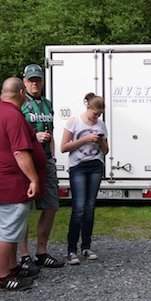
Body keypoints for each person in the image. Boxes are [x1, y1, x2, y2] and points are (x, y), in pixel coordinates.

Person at [0, 78, 47, 292]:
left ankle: (12, 268)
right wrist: (34, 179)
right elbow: (20, 152)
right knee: (8, 231)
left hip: (2, 179)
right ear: (21, 93)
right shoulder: (13, 116)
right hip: (11, 181)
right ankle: (3, 279)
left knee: (13, 228)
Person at [17, 63, 64, 272]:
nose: (34, 84)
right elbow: (15, 132)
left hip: (46, 161)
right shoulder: (20, 104)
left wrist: (52, 156)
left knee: (51, 205)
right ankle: (24, 255)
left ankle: (42, 252)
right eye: (31, 80)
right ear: (24, 82)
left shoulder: (47, 103)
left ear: (43, 81)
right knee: (23, 209)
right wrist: (34, 137)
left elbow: (51, 131)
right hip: (27, 162)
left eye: (38, 80)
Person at [62, 93, 109, 264]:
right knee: (79, 208)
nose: (97, 117)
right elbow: (64, 147)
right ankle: (71, 249)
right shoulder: (74, 122)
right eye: (95, 113)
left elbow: (106, 151)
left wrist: (100, 142)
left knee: (90, 208)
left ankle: (86, 247)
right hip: (78, 167)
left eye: (100, 114)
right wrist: (85, 139)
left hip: (96, 166)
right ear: (88, 107)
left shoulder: (101, 124)